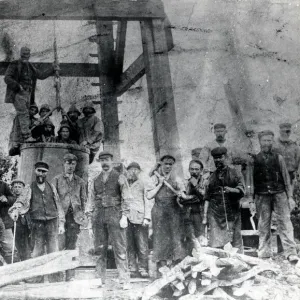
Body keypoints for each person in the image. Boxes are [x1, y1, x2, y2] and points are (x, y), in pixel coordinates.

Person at [9, 161, 65, 282]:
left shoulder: (52, 187)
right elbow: (21, 201)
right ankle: (36, 279)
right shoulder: (29, 188)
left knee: (53, 250)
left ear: (47, 173)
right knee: (37, 251)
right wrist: (15, 210)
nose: (41, 174)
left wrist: (61, 223)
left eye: (43, 172)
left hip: (52, 222)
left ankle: (55, 279)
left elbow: (59, 206)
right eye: (39, 171)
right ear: (35, 171)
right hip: (37, 224)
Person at [85, 151, 131, 290]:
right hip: (98, 216)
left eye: (107, 159)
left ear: (112, 161)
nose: (105, 162)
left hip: (115, 215)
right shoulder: (95, 179)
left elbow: (127, 197)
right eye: (102, 160)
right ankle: (99, 278)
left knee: (120, 248)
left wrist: (124, 216)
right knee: (99, 248)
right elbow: (90, 200)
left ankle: (124, 279)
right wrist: (89, 220)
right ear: (100, 162)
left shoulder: (120, 177)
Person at [251, 130, 299, 262]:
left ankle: (291, 253)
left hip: (279, 193)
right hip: (262, 195)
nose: (267, 143)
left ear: (273, 141)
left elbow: (286, 179)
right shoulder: (255, 159)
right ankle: (264, 253)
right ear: (260, 142)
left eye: (269, 140)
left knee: (285, 222)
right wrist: (251, 199)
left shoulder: (279, 158)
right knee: (263, 224)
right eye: (264, 140)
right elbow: (251, 181)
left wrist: (289, 197)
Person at [4, 47, 58, 142]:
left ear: (29, 55)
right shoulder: (14, 64)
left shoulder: (30, 66)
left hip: (28, 94)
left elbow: (41, 75)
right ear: (20, 54)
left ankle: (23, 137)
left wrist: (52, 68)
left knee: (25, 115)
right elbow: (7, 78)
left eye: (27, 55)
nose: (25, 56)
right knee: (24, 113)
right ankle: (26, 136)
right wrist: (17, 86)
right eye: (23, 54)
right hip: (18, 93)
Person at [146, 155, 186, 273]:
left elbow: (182, 194)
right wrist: (159, 184)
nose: (168, 166)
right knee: (160, 237)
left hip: (174, 211)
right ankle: (161, 266)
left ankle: (176, 265)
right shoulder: (154, 178)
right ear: (161, 164)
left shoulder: (177, 179)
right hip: (159, 210)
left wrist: (181, 195)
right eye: (165, 164)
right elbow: (149, 196)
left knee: (175, 236)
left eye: (170, 164)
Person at [52, 154, 87, 281]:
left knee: (72, 246)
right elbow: (54, 199)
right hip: (61, 217)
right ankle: (59, 274)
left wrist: (82, 216)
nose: (70, 166)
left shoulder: (80, 181)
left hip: (75, 217)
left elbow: (84, 200)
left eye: (72, 163)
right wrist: (58, 215)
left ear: (75, 165)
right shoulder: (56, 180)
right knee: (60, 245)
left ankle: (70, 275)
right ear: (64, 164)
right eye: (68, 163)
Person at [203, 147, 245, 253]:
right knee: (217, 243)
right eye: (215, 158)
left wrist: (231, 190)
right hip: (216, 214)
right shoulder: (212, 177)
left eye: (220, 157)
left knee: (235, 240)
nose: (218, 160)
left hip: (232, 211)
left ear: (225, 157)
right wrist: (205, 216)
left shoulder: (235, 173)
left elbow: (242, 190)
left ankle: (240, 263)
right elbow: (207, 197)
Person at [125, 162, 153, 278]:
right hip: (127, 218)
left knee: (142, 245)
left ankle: (143, 268)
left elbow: (148, 201)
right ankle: (132, 268)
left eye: (135, 170)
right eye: (130, 170)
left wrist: (147, 217)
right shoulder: (125, 184)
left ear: (139, 172)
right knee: (129, 245)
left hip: (140, 219)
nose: (133, 172)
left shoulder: (143, 183)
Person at [180, 160, 207, 253]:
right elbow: (181, 199)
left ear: (201, 170)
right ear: (189, 170)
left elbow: (204, 197)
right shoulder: (185, 182)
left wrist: (195, 185)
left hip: (200, 214)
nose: (194, 171)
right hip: (187, 213)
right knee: (190, 239)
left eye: (197, 169)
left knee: (201, 238)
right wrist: (194, 197)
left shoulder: (205, 182)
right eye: (192, 169)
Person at [11, 179, 32, 261]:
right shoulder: (11, 199)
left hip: (26, 226)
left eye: (19, 187)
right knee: (16, 248)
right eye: (15, 187)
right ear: (12, 188)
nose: (17, 189)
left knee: (26, 248)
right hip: (14, 227)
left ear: (23, 188)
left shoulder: (26, 200)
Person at [0, 180, 20, 263]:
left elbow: (13, 199)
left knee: (10, 249)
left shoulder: (3, 185)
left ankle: (14, 270)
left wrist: (6, 199)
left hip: (4, 222)